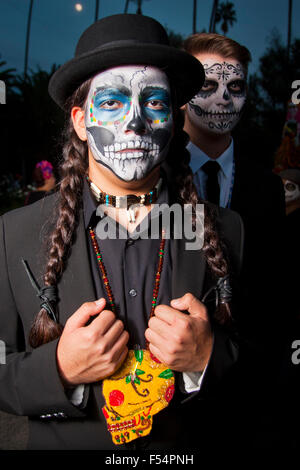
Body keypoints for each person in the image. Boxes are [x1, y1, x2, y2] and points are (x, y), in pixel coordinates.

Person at [0, 15, 247, 451]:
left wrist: (210, 359)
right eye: (112, 102)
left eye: (154, 102)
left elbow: (272, 365)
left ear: (172, 119)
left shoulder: (228, 230)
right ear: (79, 120)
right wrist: (58, 368)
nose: (135, 122)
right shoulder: (13, 234)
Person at [182, 33, 287, 349]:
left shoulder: (268, 187)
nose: (224, 97)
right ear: (182, 94)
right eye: (208, 86)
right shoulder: (153, 178)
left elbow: (275, 290)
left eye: (235, 87)